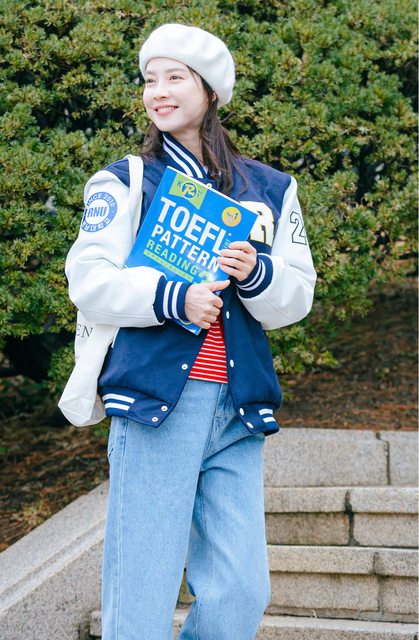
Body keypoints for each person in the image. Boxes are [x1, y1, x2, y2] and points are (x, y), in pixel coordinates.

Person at [65, 23, 316, 640]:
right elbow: (88, 280)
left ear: (209, 89)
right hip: (157, 404)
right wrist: (173, 297)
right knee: (142, 591)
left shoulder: (270, 188)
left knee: (241, 591)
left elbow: (297, 297)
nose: (159, 91)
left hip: (239, 406)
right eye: (150, 79)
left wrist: (257, 272)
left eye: (175, 77)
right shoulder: (127, 180)